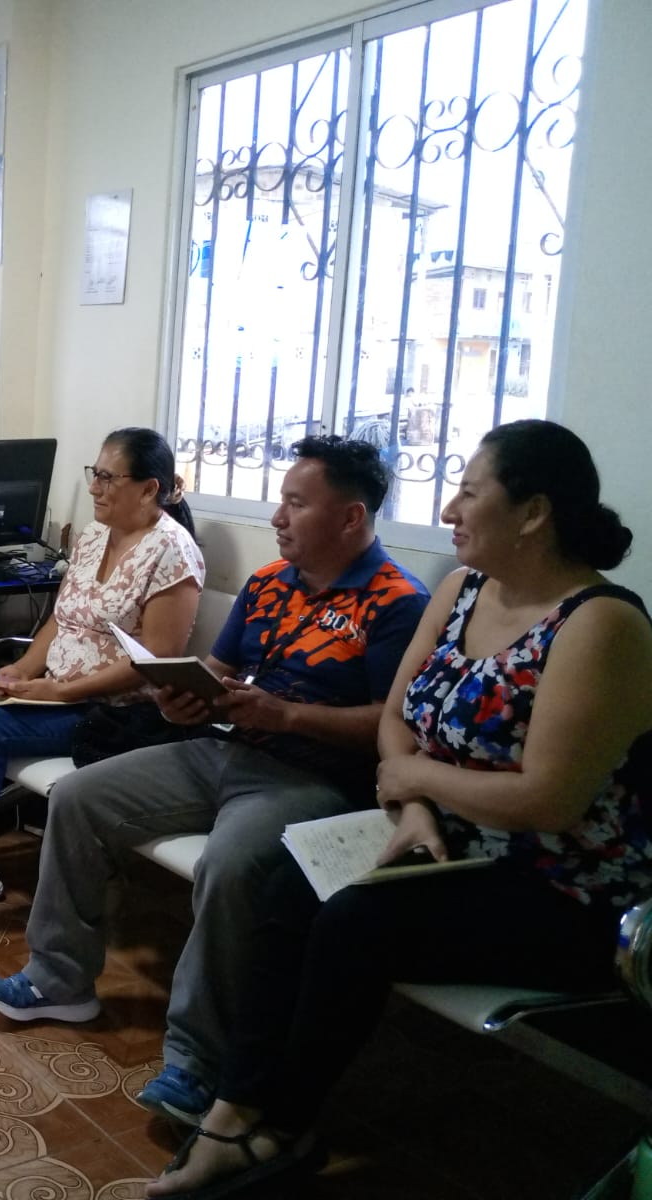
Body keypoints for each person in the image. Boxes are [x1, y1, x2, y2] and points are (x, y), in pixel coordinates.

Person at [147, 419, 652, 1198]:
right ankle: (232, 1108)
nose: (449, 511)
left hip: (560, 886)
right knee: (287, 882)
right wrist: (412, 797)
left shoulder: (602, 623)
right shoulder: (463, 590)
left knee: (353, 923)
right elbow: (396, 717)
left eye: (470, 493)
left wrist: (413, 781)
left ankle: (279, 1126)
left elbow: (547, 798)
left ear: (533, 513)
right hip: (446, 840)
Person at [0, 437, 429, 1105]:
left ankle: (196, 1060)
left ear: (351, 517)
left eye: (296, 504)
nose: (277, 517)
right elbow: (216, 670)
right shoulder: (271, 583)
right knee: (76, 797)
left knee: (231, 865)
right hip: (224, 749)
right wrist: (178, 696)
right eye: (280, 500)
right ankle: (57, 979)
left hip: (314, 780)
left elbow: (396, 723)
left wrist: (288, 716)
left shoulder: (397, 602)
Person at [0, 428, 204, 949]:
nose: (94, 487)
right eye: (94, 474)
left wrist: (62, 693)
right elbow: (62, 619)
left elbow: (155, 660)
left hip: (113, 713)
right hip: (55, 692)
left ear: (148, 489)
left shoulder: (172, 552)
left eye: (108, 477)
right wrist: (24, 670)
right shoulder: (93, 536)